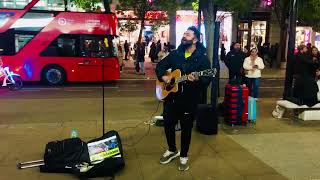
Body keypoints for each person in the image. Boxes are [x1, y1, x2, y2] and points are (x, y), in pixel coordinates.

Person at [155, 26, 211, 171]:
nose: (184, 36)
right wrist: (164, 76)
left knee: (186, 129)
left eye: (188, 34)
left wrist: (197, 79)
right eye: (184, 34)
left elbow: (207, 79)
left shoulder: (202, 59)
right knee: (168, 124)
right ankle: (172, 150)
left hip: (189, 100)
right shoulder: (176, 54)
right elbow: (160, 66)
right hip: (171, 99)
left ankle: (184, 155)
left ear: (195, 39)